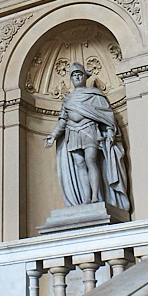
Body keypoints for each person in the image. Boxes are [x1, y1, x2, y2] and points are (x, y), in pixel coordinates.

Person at [45, 63, 130, 211]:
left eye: (80, 74)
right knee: (80, 164)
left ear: (85, 76)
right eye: (74, 75)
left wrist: (110, 130)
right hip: (73, 133)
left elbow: (106, 114)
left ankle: (95, 195)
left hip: (89, 131)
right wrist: (53, 136)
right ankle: (86, 198)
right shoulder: (68, 99)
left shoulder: (94, 95)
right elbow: (63, 120)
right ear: (71, 79)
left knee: (91, 160)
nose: (77, 77)